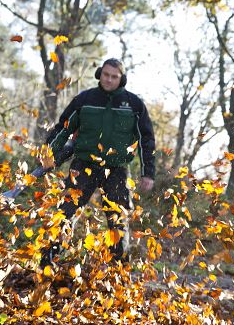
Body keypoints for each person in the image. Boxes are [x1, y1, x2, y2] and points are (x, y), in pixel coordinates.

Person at [40, 58, 156, 267]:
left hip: (116, 170)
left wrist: (148, 173)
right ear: (99, 74)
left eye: (114, 77)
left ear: (122, 79)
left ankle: (117, 270)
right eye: (106, 75)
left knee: (117, 219)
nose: (109, 80)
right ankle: (47, 264)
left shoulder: (134, 105)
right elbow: (63, 128)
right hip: (83, 166)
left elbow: (146, 140)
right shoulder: (85, 99)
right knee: (65, 213)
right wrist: (49, 154)